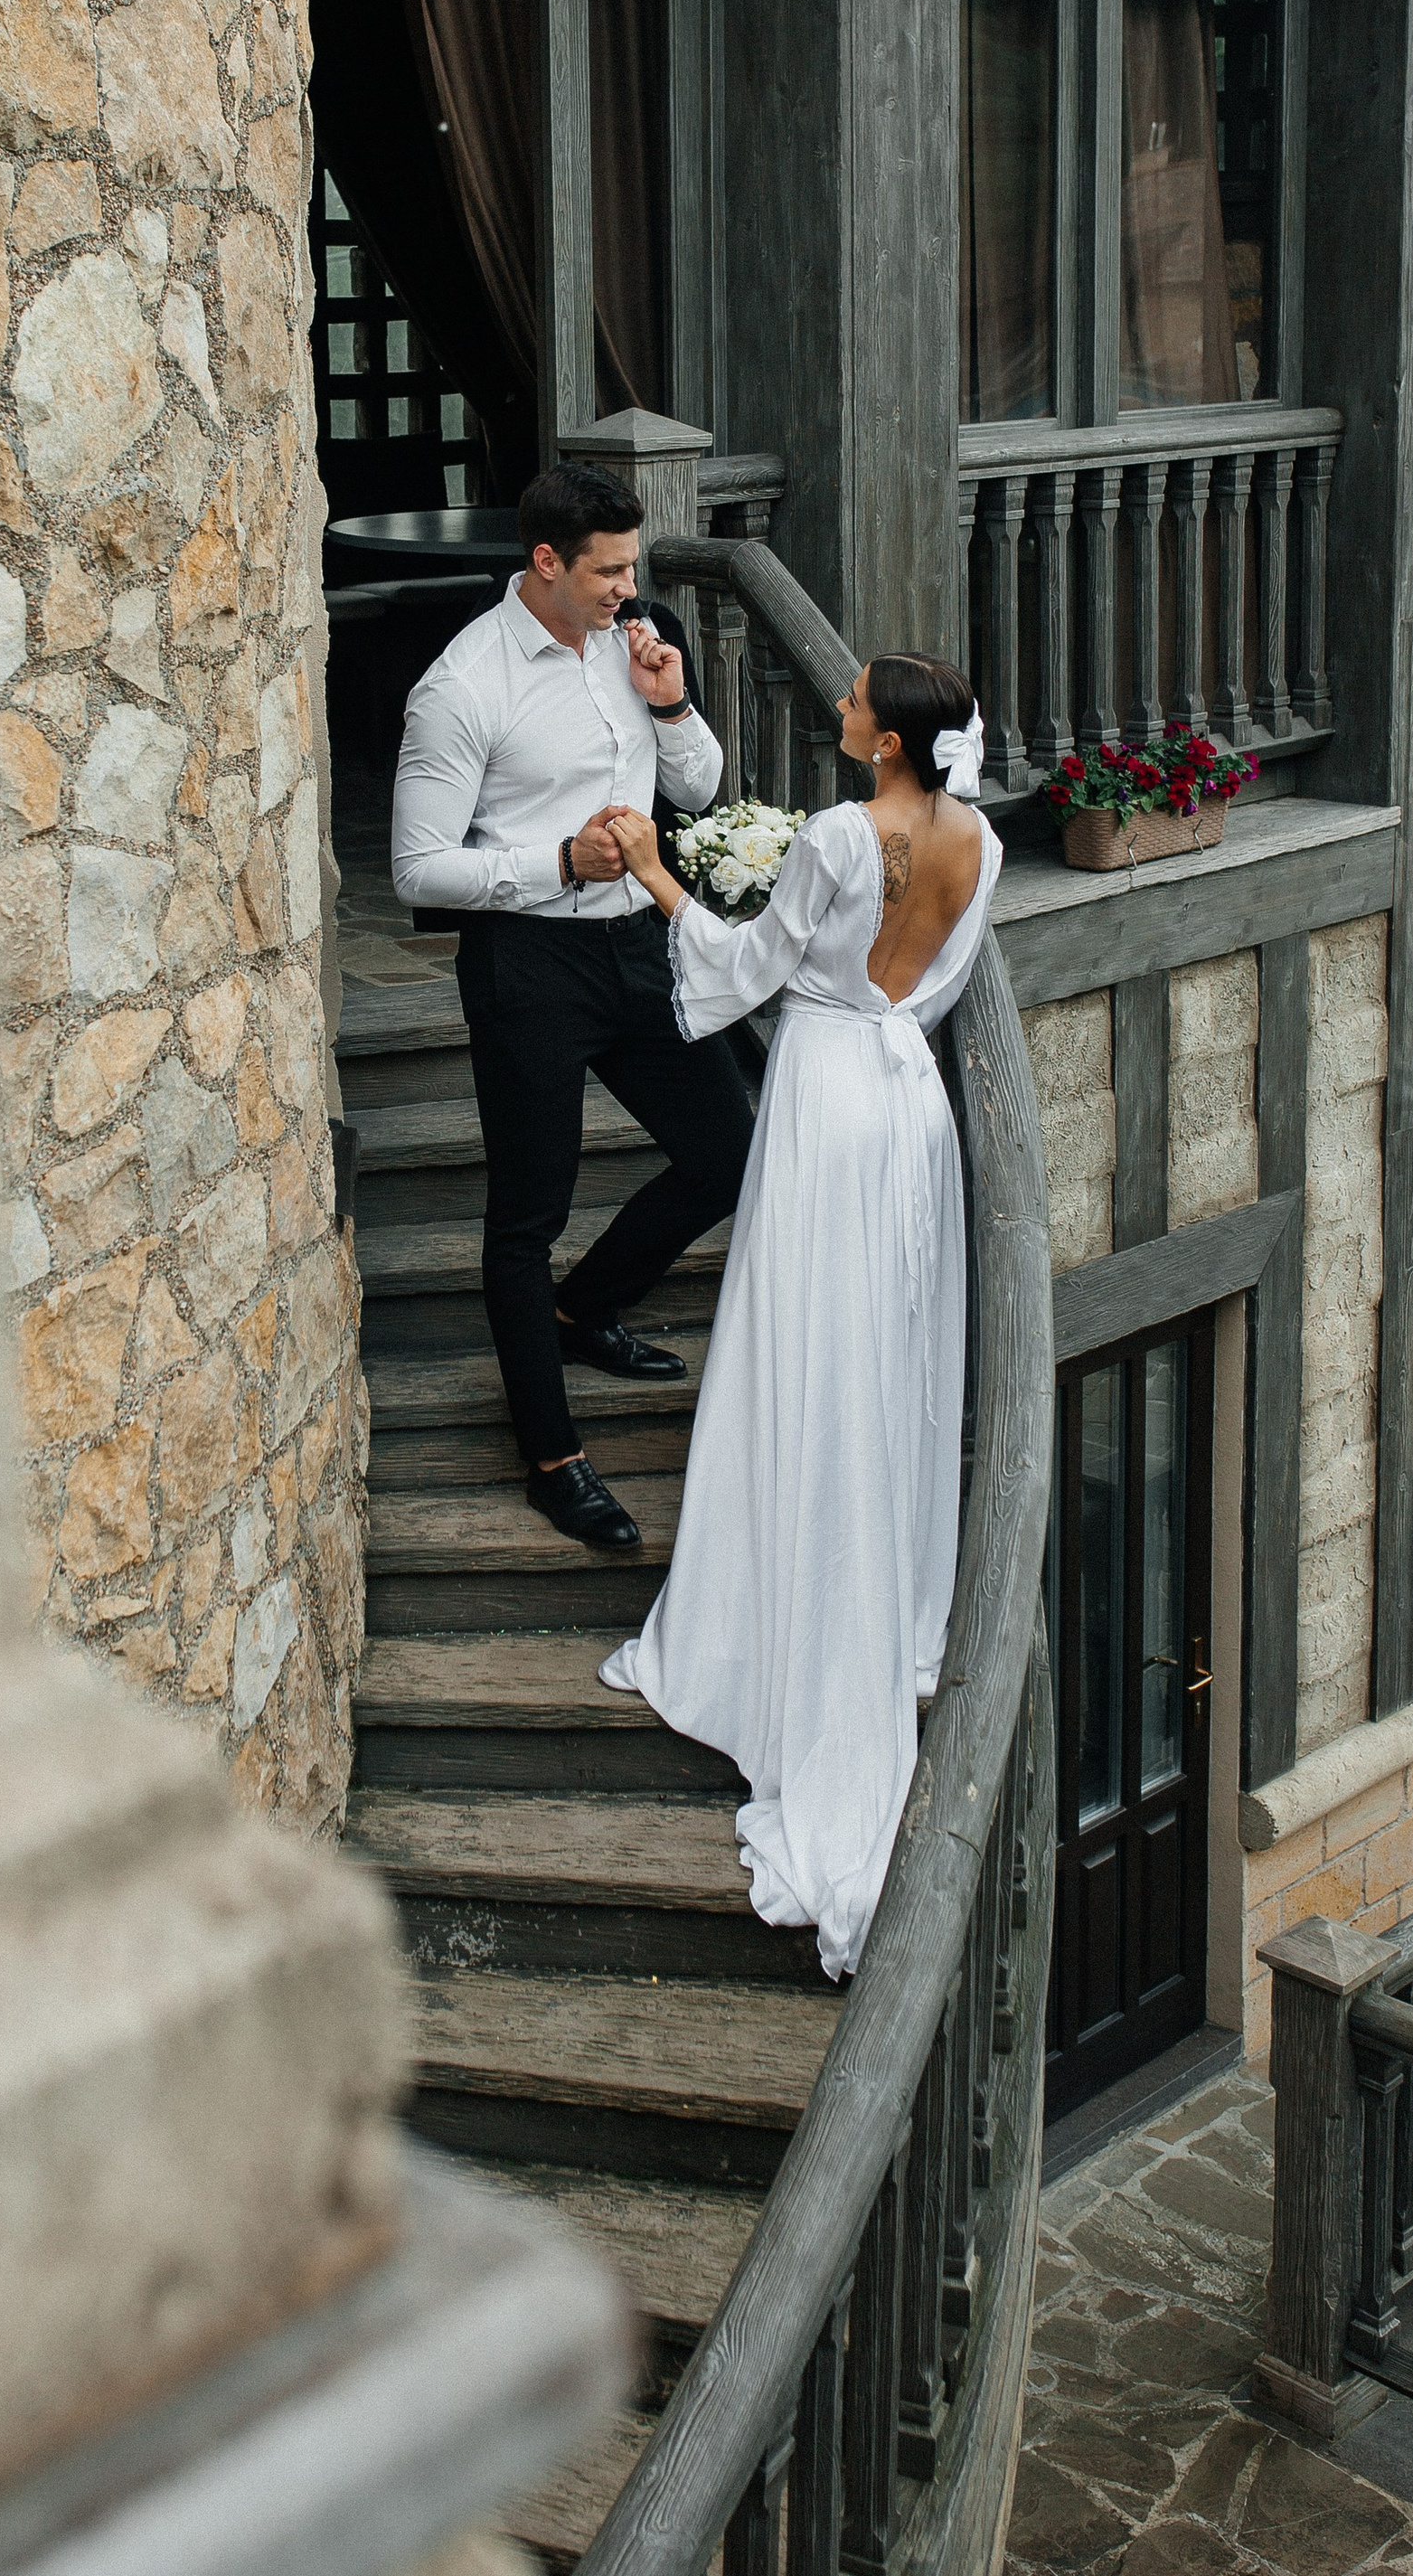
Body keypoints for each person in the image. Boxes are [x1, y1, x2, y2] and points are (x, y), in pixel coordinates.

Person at [598, 656, 998, 1977]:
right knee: (883, 1348)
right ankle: (883, 1571)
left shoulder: (838, 834)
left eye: (856, 698)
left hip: (827, 1092)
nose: (840, 703)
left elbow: (751, 963)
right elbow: (930, 990)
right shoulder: (979, 838)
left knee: (799, 1350)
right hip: (907, 1104)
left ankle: (777, 1615)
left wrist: (659, 875)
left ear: (886, 736)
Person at [391, 463, 757, 1552]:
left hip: (635, 947)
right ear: (545, 561)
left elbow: (695, 787)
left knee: (729, 1155)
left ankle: (585, 1307)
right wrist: (554, 858)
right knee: (525, 1217)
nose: (625, 588)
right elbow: (416, 869)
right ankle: (553, 1458)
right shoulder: (461, 688)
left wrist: (672, 702)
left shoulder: (632, 636)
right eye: (607, 570)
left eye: (631, 566)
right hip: (529, 968)